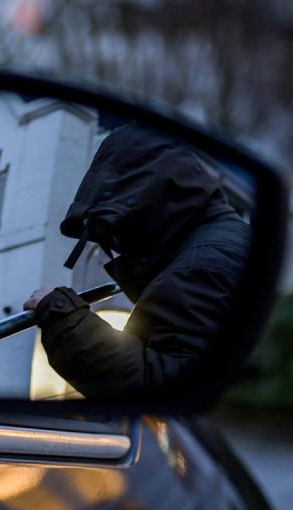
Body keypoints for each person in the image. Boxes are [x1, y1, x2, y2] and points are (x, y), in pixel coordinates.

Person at [23, 123, 251, 399]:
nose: (119, 245)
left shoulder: (198, 268)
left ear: (142, 206)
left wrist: (60, 313)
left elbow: (159, 387)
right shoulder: (221, 239)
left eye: (119, 229)